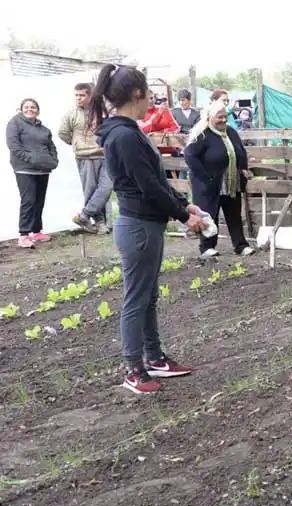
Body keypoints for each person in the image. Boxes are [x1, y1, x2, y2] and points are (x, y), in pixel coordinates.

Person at [89, 63, 205, 394]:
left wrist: (185, 206)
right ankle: (133, 369)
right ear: (137, 94)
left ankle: (154, 359)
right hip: (138, 227)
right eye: (150, 96)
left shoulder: (128, 130)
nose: (152, 102)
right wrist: (185, 218)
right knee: (136, 299)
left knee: (148, 295)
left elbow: (155, 181)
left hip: (146, 225)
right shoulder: (124, 136)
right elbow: (148, 189)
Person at [184, 101, 255, 257]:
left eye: (225, 116)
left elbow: (240, 151)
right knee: (210, 213)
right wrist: (205, 177)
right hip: (210, 182)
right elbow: (190, 156)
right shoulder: (202, 134)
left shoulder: (231, 132)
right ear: (210, 117)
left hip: (230, 181)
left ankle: (240, 245)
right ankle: (207, 247)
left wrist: (244, 168)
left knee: (234, 214)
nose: (223, 120)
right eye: (219, 117)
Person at [60, 83, 114, 235]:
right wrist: (77, 143)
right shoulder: (71, 114)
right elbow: (63, 133)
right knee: (90, 190)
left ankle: (84, 215)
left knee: (106, 187)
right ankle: (100, 224)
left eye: (82, 95)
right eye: (76, 95)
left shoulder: (101, 112)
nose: (78, 98)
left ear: (90, 96)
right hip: (85, 156)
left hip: (104, 153)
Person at [5, 98, 58, 249]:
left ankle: (36, 231)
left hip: (42, 169)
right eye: (26, 107)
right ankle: (24, 234)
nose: (30, 109)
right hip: (24, 169)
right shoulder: (14, 123)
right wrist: (30, 159)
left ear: (38, 110)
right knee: (28, 200)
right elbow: (13, 145)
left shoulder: (43, 128)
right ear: (21, 109)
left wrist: (53, 161)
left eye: (33, 107)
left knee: (39, 200)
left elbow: (51, 146)